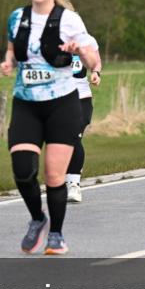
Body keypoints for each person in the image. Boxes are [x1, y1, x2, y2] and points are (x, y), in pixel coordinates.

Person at [0, 0, 100, 255]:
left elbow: (93, 60)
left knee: (54, 176)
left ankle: (56, 234)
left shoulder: (69, 20)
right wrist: (9, 61)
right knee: (22, 169)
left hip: (62, 105)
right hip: (26, 104)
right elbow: (12, 46)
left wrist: (79, 51)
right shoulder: (17, 17)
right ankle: (37, 219)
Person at [64, 37, 102, 202]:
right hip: (58, 100)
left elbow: (97, 63)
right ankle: (66, 180)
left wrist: (96, 73)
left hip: (82, 98)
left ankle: (74, 185)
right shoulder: (48, 40)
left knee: (74, 137)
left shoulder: (87, 40)